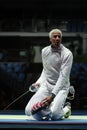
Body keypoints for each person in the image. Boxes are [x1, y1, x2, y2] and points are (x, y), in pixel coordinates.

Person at [25, 28, 74, 120]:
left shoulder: (67, 54)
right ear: (50, 39)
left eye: (59, 37)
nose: (57, 38)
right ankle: (50, 110)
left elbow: (63, 77)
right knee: (28, 111)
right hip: (46, 86)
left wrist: (52, 96)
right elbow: (46, 69)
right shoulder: (45, 51)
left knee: (55, 116)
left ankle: (66, 108)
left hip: (61, 87)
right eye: (54, 36)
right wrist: (38, 82)